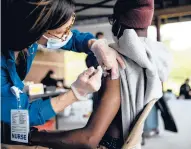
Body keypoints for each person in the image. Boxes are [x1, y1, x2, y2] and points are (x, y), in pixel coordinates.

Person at [28, 0, 171, 149]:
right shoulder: (154, 64)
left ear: (116, 22)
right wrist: (92, 43)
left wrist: (32, 136)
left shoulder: (115, 66)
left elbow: (88, 139)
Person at [1, 0, 126, 147]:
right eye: (61, 32)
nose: (66, 36)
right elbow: (22, 115)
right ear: (37, 28)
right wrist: (76, 93)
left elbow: (72, 39)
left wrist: (93, 44)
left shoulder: (31, 37)